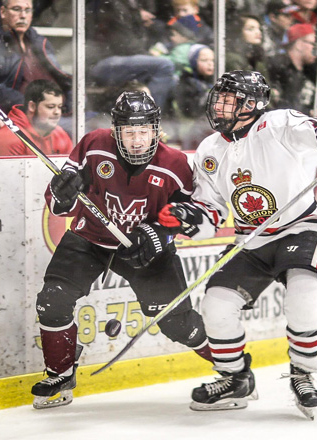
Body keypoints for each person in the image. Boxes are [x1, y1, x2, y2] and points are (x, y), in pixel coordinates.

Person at [157, 70, 317, 414]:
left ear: (253, 104)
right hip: (250, 240)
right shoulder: (210, 149)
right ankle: (235, 379)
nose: (220, 106)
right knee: (216, 304)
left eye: (231, 100)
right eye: (220, 98)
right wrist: (189, 217)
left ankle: (303, 374)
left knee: (304, 291)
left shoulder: (278, 124)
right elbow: (210, 210)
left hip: (302, 227)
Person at [31, 90, 212, 409]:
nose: (137, 140)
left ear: (156, 131)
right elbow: (61, 205)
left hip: (144, 249)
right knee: (53, 299)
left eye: (144, 131)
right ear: (117, 131)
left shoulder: (175, 164)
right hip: (90, 238)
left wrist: (160, 234)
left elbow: (191, 216)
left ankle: (233, 369)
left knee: (177, 323)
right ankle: (60, 374)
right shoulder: (94, 145)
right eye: (129, 132)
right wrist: (63, 195)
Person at [0, 0, 72, 116]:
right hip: (18, 116)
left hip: (57, 111)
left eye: (28, 10)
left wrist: (73, 102)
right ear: (3, 12)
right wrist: (34, 106)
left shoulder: (40, 42)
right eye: (16, 9)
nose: (23, 16)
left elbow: (63, 80)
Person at [0, 79, 72, 156]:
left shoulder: (60, 134)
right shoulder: (8, 139)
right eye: (50, 107)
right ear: (32, 106)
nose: (57, 112)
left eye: (60, 107)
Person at [268, 23, 317, 119]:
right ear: (299, 45)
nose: (316, 49)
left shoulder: (311, 71)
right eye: (313, 44)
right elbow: (280, 106)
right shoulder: (277, 68)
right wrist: (309, 113)